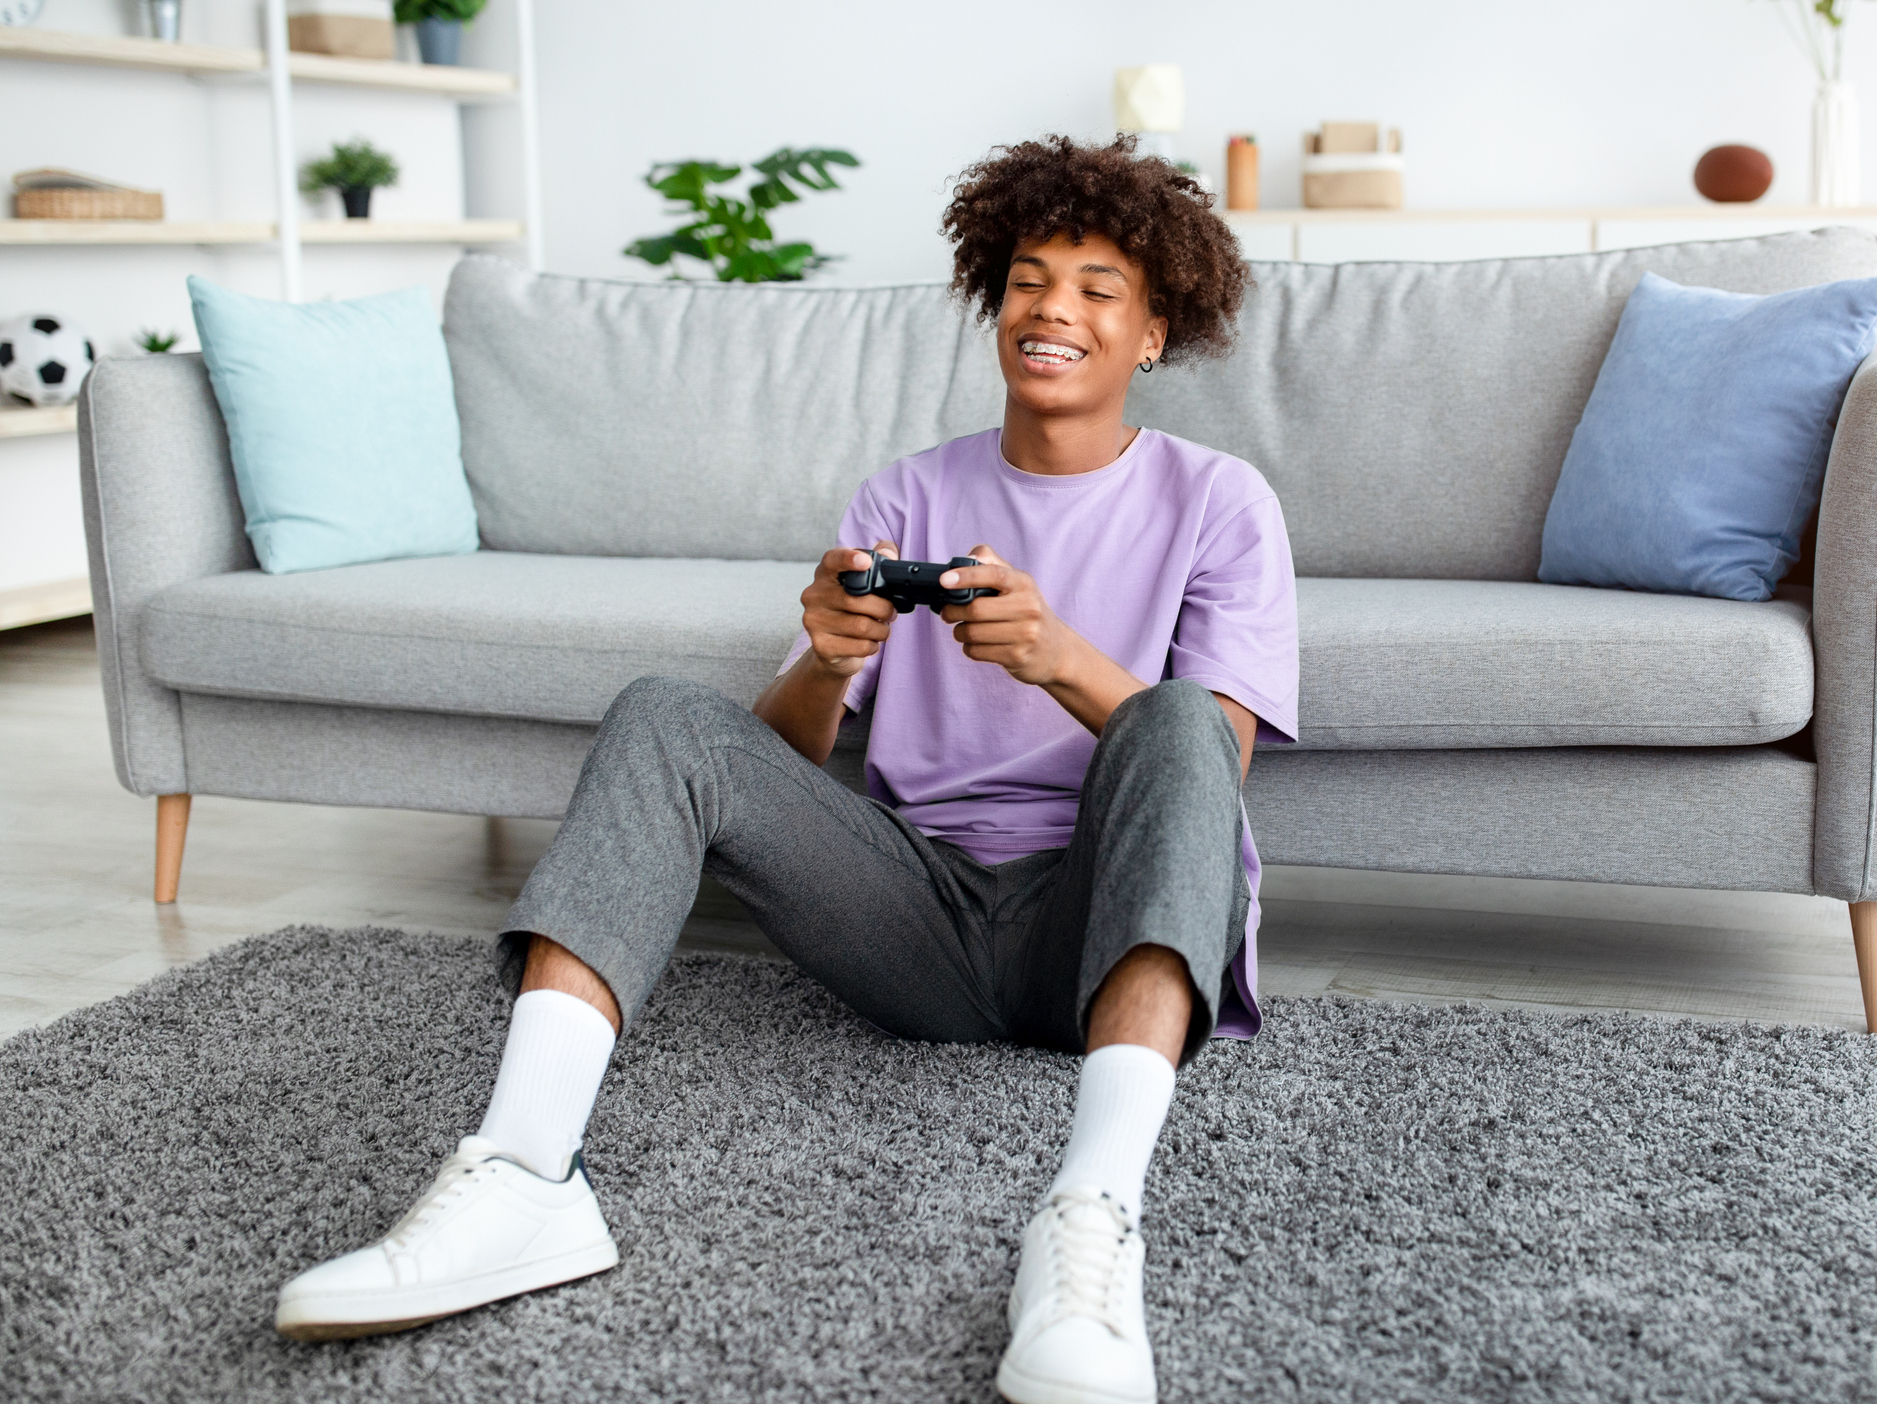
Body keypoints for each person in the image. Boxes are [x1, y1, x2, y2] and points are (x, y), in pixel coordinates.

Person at [275, 133, 1297, 1404]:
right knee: (663, 714)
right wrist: (824, 659)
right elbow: (768, 773)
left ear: (1151, 332)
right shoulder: (902, 495)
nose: (1054, 310)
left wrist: (1053, 656)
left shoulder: (1219, 502)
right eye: (1031, 278)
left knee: (1176, 717)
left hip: (1096, 926)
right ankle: (524, 1173)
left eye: (1097, 288)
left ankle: (1089, 1220)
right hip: (912, 915)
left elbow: (1216, 762)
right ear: (994, 302)